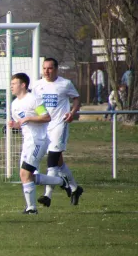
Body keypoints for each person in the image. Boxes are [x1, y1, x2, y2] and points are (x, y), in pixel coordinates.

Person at [8, 73, 71, 214]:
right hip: (27, 142)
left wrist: (28, 118)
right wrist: (16, 125)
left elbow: (46, 117)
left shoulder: (33, 100)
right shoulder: (15, 104)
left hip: (38, 141)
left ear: (23, 85)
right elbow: (23, 123)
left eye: (14, 83)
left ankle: (31, 208)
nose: (11, 86)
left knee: (25, 173)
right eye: (11, 84)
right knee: (26, 176)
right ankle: (61, 181)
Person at [32, 58, 84, 206]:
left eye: (49, 68)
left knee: (52, 161)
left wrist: (72, 112)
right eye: (44, 68)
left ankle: (47, 196)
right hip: (43, 127)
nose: (46, 71)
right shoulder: (37, 85)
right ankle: (74, 188)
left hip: (59, 125)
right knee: (58, 162)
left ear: (56, 69)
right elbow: (33, 103)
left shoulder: (65, 84)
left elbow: (76, 98)